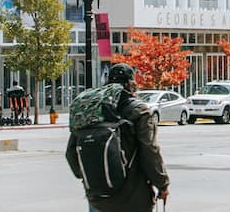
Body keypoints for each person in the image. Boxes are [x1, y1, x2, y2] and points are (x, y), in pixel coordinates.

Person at [65, 63, 169, 212]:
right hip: (132, 197)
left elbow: (70, 153)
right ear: (131, 83)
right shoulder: (139, 110)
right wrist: (162, 184)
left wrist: (91, 177)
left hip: (97, 196)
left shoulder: (92, 109)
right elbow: (149, 150)